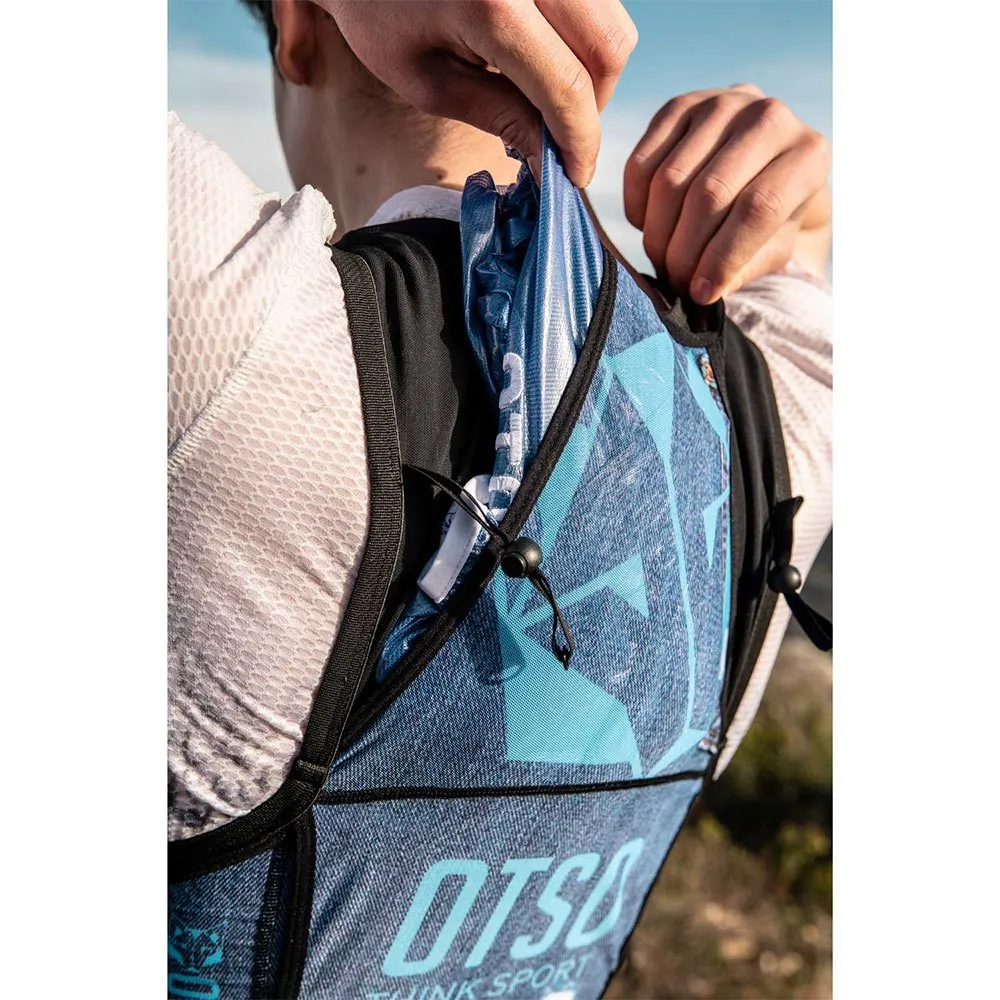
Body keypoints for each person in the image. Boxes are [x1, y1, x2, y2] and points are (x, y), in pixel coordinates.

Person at [168, 1, 831, 995]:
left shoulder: (236, 342)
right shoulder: (779, 408)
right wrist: (803, 209)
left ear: (299, 30)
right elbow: (801, 269)